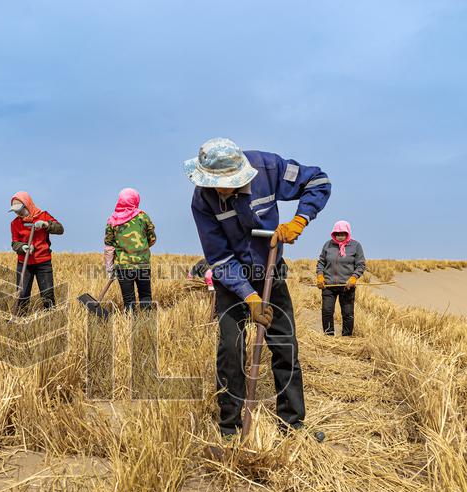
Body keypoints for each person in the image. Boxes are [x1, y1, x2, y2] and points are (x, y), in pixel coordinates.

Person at [184, 137, 331, 438]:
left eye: (227, 183)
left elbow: (319, 180)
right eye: (214, 184)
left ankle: (292, 423)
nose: (221, 190)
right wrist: (249, 296)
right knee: (229, 347)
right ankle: (230, 427)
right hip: (232, 279)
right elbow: (219, 257)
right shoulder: (202, 200)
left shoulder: (268, 168)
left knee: (284, 345)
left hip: (270, 271)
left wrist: (299, 220)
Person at [103, 188, 156, 311]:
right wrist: (141, 248)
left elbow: (109, 247)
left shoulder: (112, 220)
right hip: (143, 265)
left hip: (123, 267)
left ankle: (130, 327)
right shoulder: (143, 217)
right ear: (136, 200)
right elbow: (152, 238)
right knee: (146, 297)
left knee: (129, 301)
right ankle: (147, 325)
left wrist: (110, 268)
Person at [9, 191, 63, 312]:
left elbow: (60, 229)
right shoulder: (15, 223)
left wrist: (46, 225)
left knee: (47, 295)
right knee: (22, 295)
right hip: (24, 263)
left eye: (20, 210)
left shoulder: (43, 216)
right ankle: (20, 319)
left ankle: (51, 319)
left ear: (27, 205)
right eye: (15, 211)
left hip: (43, 263)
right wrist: (22, 247)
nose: (18, 213)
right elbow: (14, 243)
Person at [316, 220, 366, 336]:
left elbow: (361, 265)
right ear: (333, 234)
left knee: (347, 313)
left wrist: (354, 277)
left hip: (347, 286)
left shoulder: (356, 246)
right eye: (337, 234)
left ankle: (346, 337)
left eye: (343, 233)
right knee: (327, 312)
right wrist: (320, 276)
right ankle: (328, 336)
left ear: (348, 233)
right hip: (328, 285)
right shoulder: (327, 245)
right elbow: (321, 262)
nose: (340, 236)